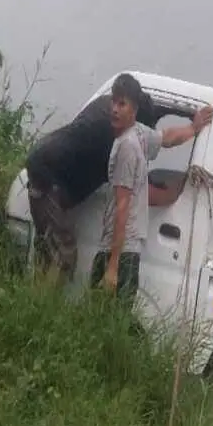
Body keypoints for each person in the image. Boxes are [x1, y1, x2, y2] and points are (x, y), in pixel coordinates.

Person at [25, 78, 211, 282]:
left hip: (53, 170)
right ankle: (40, 305)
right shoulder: (112, 138)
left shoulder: (125, 121)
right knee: (62, 257)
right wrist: (183, 189)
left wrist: (193, 128)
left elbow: (164, 137)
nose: (117, 108)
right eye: (117, 104)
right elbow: (137, 193)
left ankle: (39, 296)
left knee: (50, 255)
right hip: (46, 178)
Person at [93, 73, 161, 301]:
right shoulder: (140, 135)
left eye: (121, 104)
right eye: (113, 102)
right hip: (129, 251)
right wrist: (193, 128)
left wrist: (112, 267)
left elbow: (122, 205)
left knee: (94, 321)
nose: (114, 109)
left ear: (134, 110)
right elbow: (168, 137)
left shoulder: (126, 147)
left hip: (118, 251)